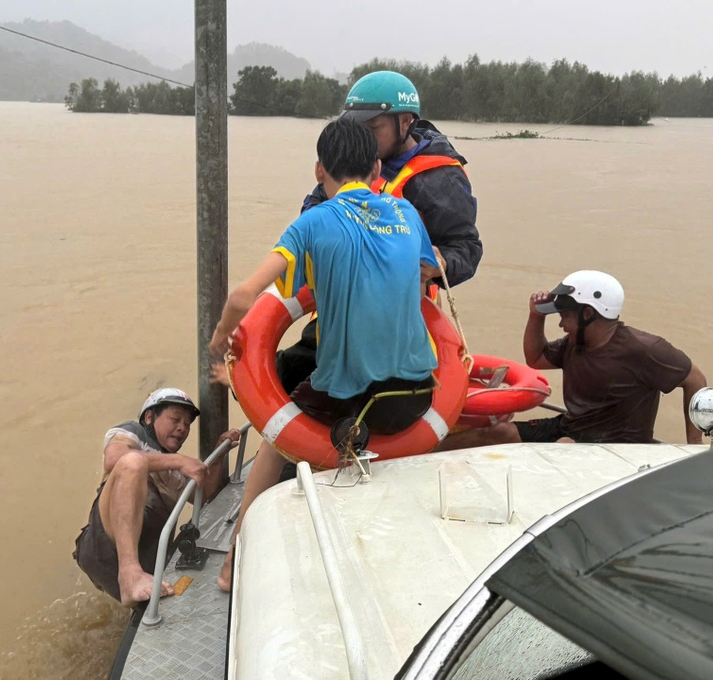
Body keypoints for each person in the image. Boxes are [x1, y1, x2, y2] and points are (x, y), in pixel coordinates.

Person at [208, 118, 441, 591]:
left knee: (276, 435)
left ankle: (233, 560)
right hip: (416, 397)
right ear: (376, 169)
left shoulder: (312, 222)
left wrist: (220, 338)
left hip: (348, 400)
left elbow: (242, 297)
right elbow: (427, 270)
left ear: (319, 170)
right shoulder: (406, 213)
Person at [276, 70, 482, 395]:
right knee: (286, 372)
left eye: (373, 129)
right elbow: (314, 207)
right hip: (339, 307)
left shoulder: (439, 178)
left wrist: (441, 262)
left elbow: (466, 247)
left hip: (402, 316)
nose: (364, 139)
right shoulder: (354, 155)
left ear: (405, 122)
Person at [438, 270, 708, 449]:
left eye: (564, 316)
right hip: (571, 427)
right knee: (502, 433)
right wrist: (536, 316)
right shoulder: (574, 343)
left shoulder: (644, 349)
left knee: (564, 447)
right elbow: (536, 358)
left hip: (615, 446)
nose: (561, 324)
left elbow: (695, 380)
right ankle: (423, 453)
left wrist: (694, 446)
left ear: (588, 314)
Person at [73, 387, 240, 607]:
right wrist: (179, 461)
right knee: (133, 462)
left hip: (149, 557)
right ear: (149, 417)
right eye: (175, 419)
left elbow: (206, 498)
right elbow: (114, 459)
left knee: (144, 610)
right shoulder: (134, 432)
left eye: (187, 424)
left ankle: (134, 586)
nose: (182, 428)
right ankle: (129, 572)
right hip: (104, 544)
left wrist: (217, 457)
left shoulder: (176, 471)